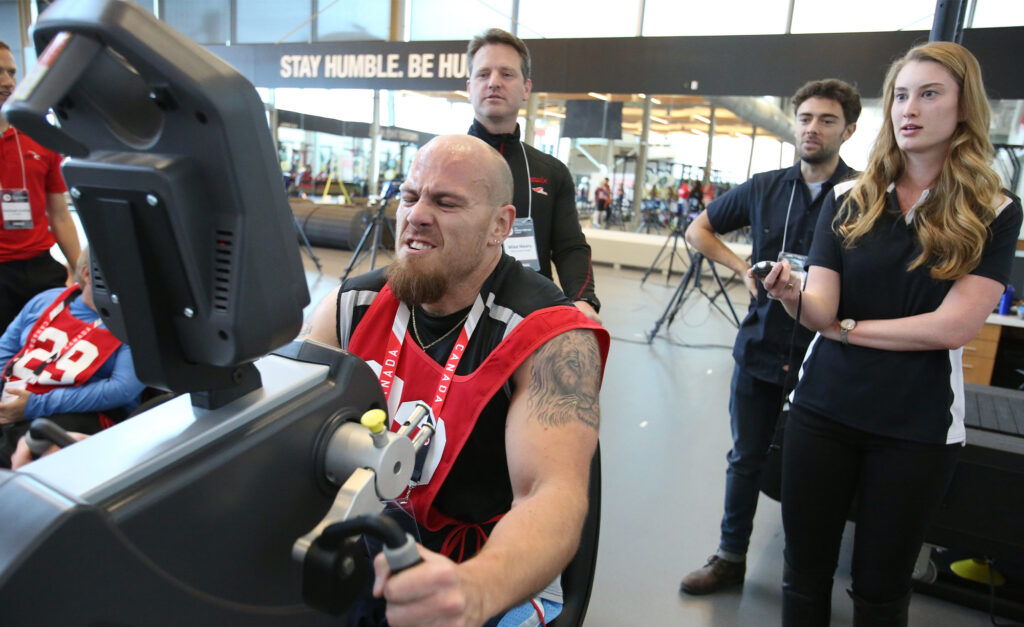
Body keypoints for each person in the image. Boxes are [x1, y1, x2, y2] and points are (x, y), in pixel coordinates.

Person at [760, 42, 1022, 625]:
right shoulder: (848, 199)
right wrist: (792, 296)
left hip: (916, 429)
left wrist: (846, 330)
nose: (910, 108)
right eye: (902, 95)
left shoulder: (995, 210)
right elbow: (820, 311)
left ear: (963, 109)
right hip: (822, 412)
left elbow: (953, 327)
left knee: (880, 589)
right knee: (802, 577)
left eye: (930, 94)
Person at [305, 134, 609, 627]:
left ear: (499, 226)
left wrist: (475, 589)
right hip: (374, 544)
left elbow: (552, 495)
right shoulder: (348, 307)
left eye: (445, 202)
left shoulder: (551, 336)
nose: (417, 215)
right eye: (409, 196)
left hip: (491, 570)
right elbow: (287, 434)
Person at [680, 78, 861, 595]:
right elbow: (699, 229)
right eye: (805, 118)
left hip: (822, 356)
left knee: (816, 471)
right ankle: (730, 557)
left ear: (848, 130)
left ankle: (804, 572)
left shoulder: (861, 195)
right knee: (745, 458)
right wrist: (740, 268)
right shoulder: (764, 188)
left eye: (827, 120)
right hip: (760, 348)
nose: (812, 128)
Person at [465, 28, 601, 324]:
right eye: (483, 74)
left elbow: (570, 246)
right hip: (455, 311)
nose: (494, 83)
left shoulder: (551, 172)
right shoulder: (440, 164)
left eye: (507, 74)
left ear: (526, 89)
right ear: (469, 87)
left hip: (529, 314)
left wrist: (583, 298)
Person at [0, 247, 145, 467]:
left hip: (83, 413)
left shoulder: (136, 325)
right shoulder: (46, 300)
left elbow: (122, 390)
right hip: (20, 396)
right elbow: (5, 350)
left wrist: (34, 405)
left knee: (29, 442)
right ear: (88, 275)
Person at [0, 40, 82, 332]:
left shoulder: (38, 136)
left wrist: (78, 270)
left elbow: (59, 213)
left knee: (48, 353)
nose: (8, 82)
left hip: (39, 267)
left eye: (11, 72)